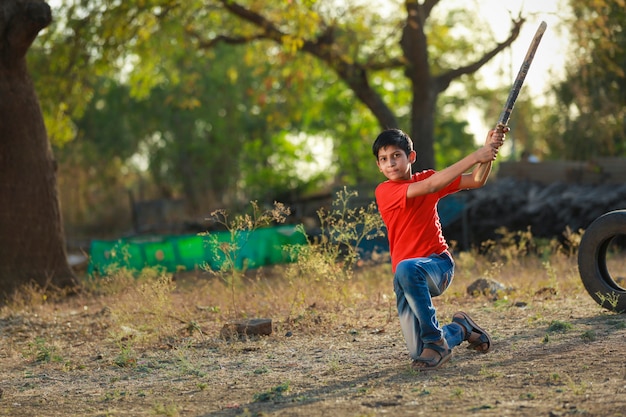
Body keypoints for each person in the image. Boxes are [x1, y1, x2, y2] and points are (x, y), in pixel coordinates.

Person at [372, 127, 507, 371]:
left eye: (396, 155)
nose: (390, 163)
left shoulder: (428, 178)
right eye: (384, 159)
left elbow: (476, 180)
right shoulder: (385, 191)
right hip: (405, 279)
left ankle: (437, 342)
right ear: (379, 166)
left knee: (407, 269)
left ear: (411, 157)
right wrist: (477, 155)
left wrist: (490, 150)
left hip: (438, 266)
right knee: (417, 350)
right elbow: (432, 186)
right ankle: (460, 328)